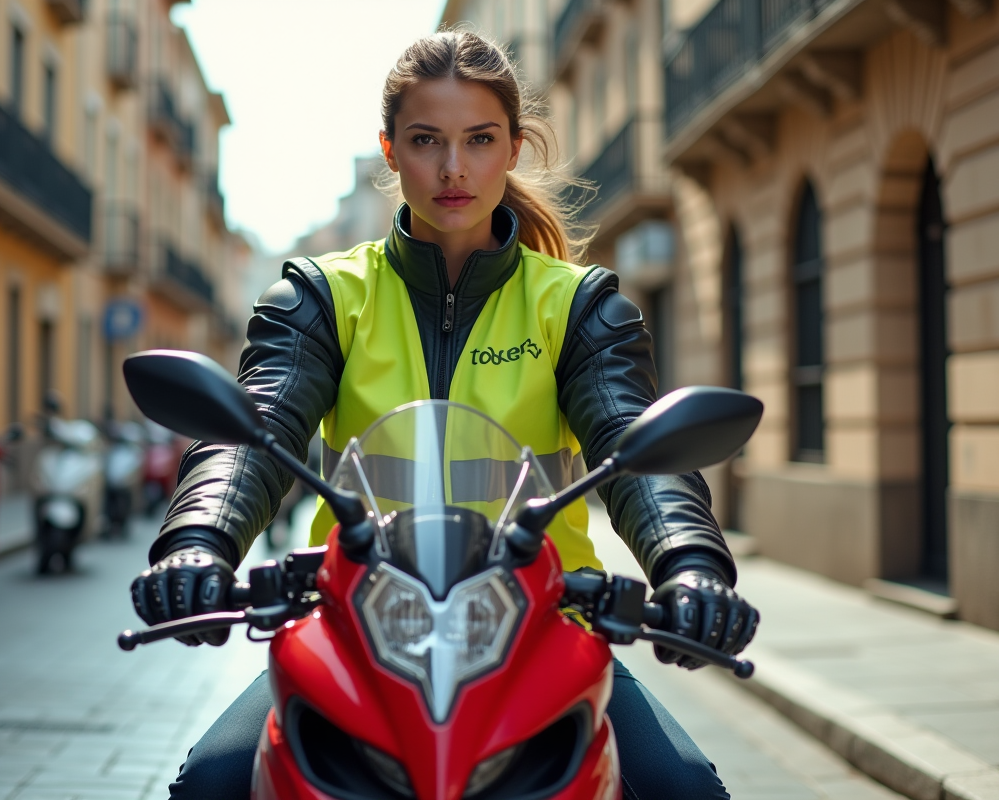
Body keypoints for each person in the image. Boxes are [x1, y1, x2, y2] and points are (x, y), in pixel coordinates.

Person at [130, 30, 759, 800]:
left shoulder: (578, 304)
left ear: (513, 149)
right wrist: (198, 544)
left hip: (544, 623)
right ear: (391, 151)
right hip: (354, 625)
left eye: (479, 140)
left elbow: (634, 444)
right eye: (427, 141)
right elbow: (254, 432)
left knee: (685, 788)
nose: (453, 167)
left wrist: (689, 562)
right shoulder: (323, 296)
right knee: (213, 780)